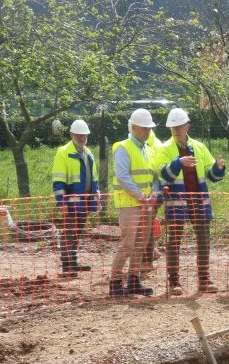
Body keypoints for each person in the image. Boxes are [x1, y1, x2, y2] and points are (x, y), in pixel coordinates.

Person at [157, 107, 226, 294]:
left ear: (187, 126)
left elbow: (212, 175)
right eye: (173, 127)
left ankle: (204, 279)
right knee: (174, 241)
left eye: (179, 126)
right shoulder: (164, 148)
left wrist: (219, 168)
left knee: (203, 240)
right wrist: (179, 162)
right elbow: (163, 176)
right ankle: (174, 282)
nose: (176, 130)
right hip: (176, 202)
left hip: (198, 200)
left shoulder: (200, 147)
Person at [108, 108, 161, 298]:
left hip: (145, 203)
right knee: (128, 244)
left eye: (149, 128)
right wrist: (140, 195)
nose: (148, 132)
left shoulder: (149, 150)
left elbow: (155, 176)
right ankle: (114, 282)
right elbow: (122, 175)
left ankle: (133, 280)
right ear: (134, 128)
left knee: (140, 243)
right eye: (144, 128)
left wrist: (154, 193)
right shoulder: (123, 147)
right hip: (130, 203)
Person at [50, 119, 100, 278]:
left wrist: (96, 193)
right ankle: (67, 267)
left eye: (84, 135)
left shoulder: (89, 153)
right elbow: (58, 180)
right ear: (72, 134)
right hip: (71, 203)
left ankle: (73, 262)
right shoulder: (63, 152)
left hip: (85, 201)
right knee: (69, 233)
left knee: (77, 232)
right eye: (78, 135)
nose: (81, 138)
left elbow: (94, 177)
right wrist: (62, 202)